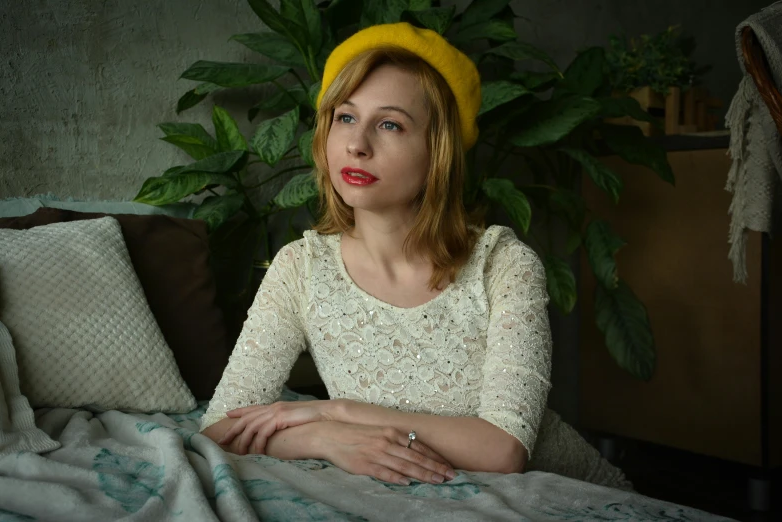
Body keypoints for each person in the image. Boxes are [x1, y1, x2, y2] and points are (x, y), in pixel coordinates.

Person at [201, 22, 631, 490]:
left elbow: (504, 449)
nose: (357, 144)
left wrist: (336, 410)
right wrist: (325, 438)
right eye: (345, 117)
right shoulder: (299, 269)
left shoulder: (502, 264)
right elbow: (222, 428)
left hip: (571, 493)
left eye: (390, 124)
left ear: (437, 152)